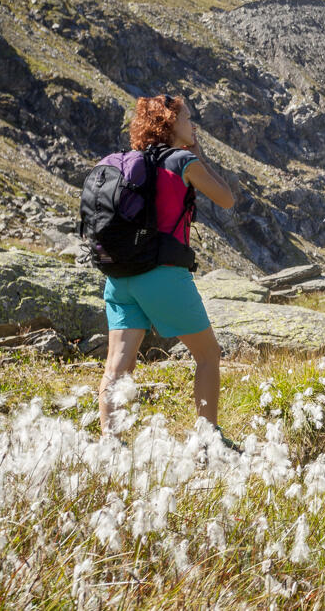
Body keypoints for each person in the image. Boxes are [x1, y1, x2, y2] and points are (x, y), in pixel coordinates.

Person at [98, 95, 238, 438]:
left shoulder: (128, 162)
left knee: (117, 364)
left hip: (119, 275)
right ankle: (207, 439)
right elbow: (227, 198)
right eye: (188, 119)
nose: (193, 125)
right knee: (208, 355)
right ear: (171, 124)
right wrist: (197, 153)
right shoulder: (183, 161)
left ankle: (108, 444)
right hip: (162, 273)